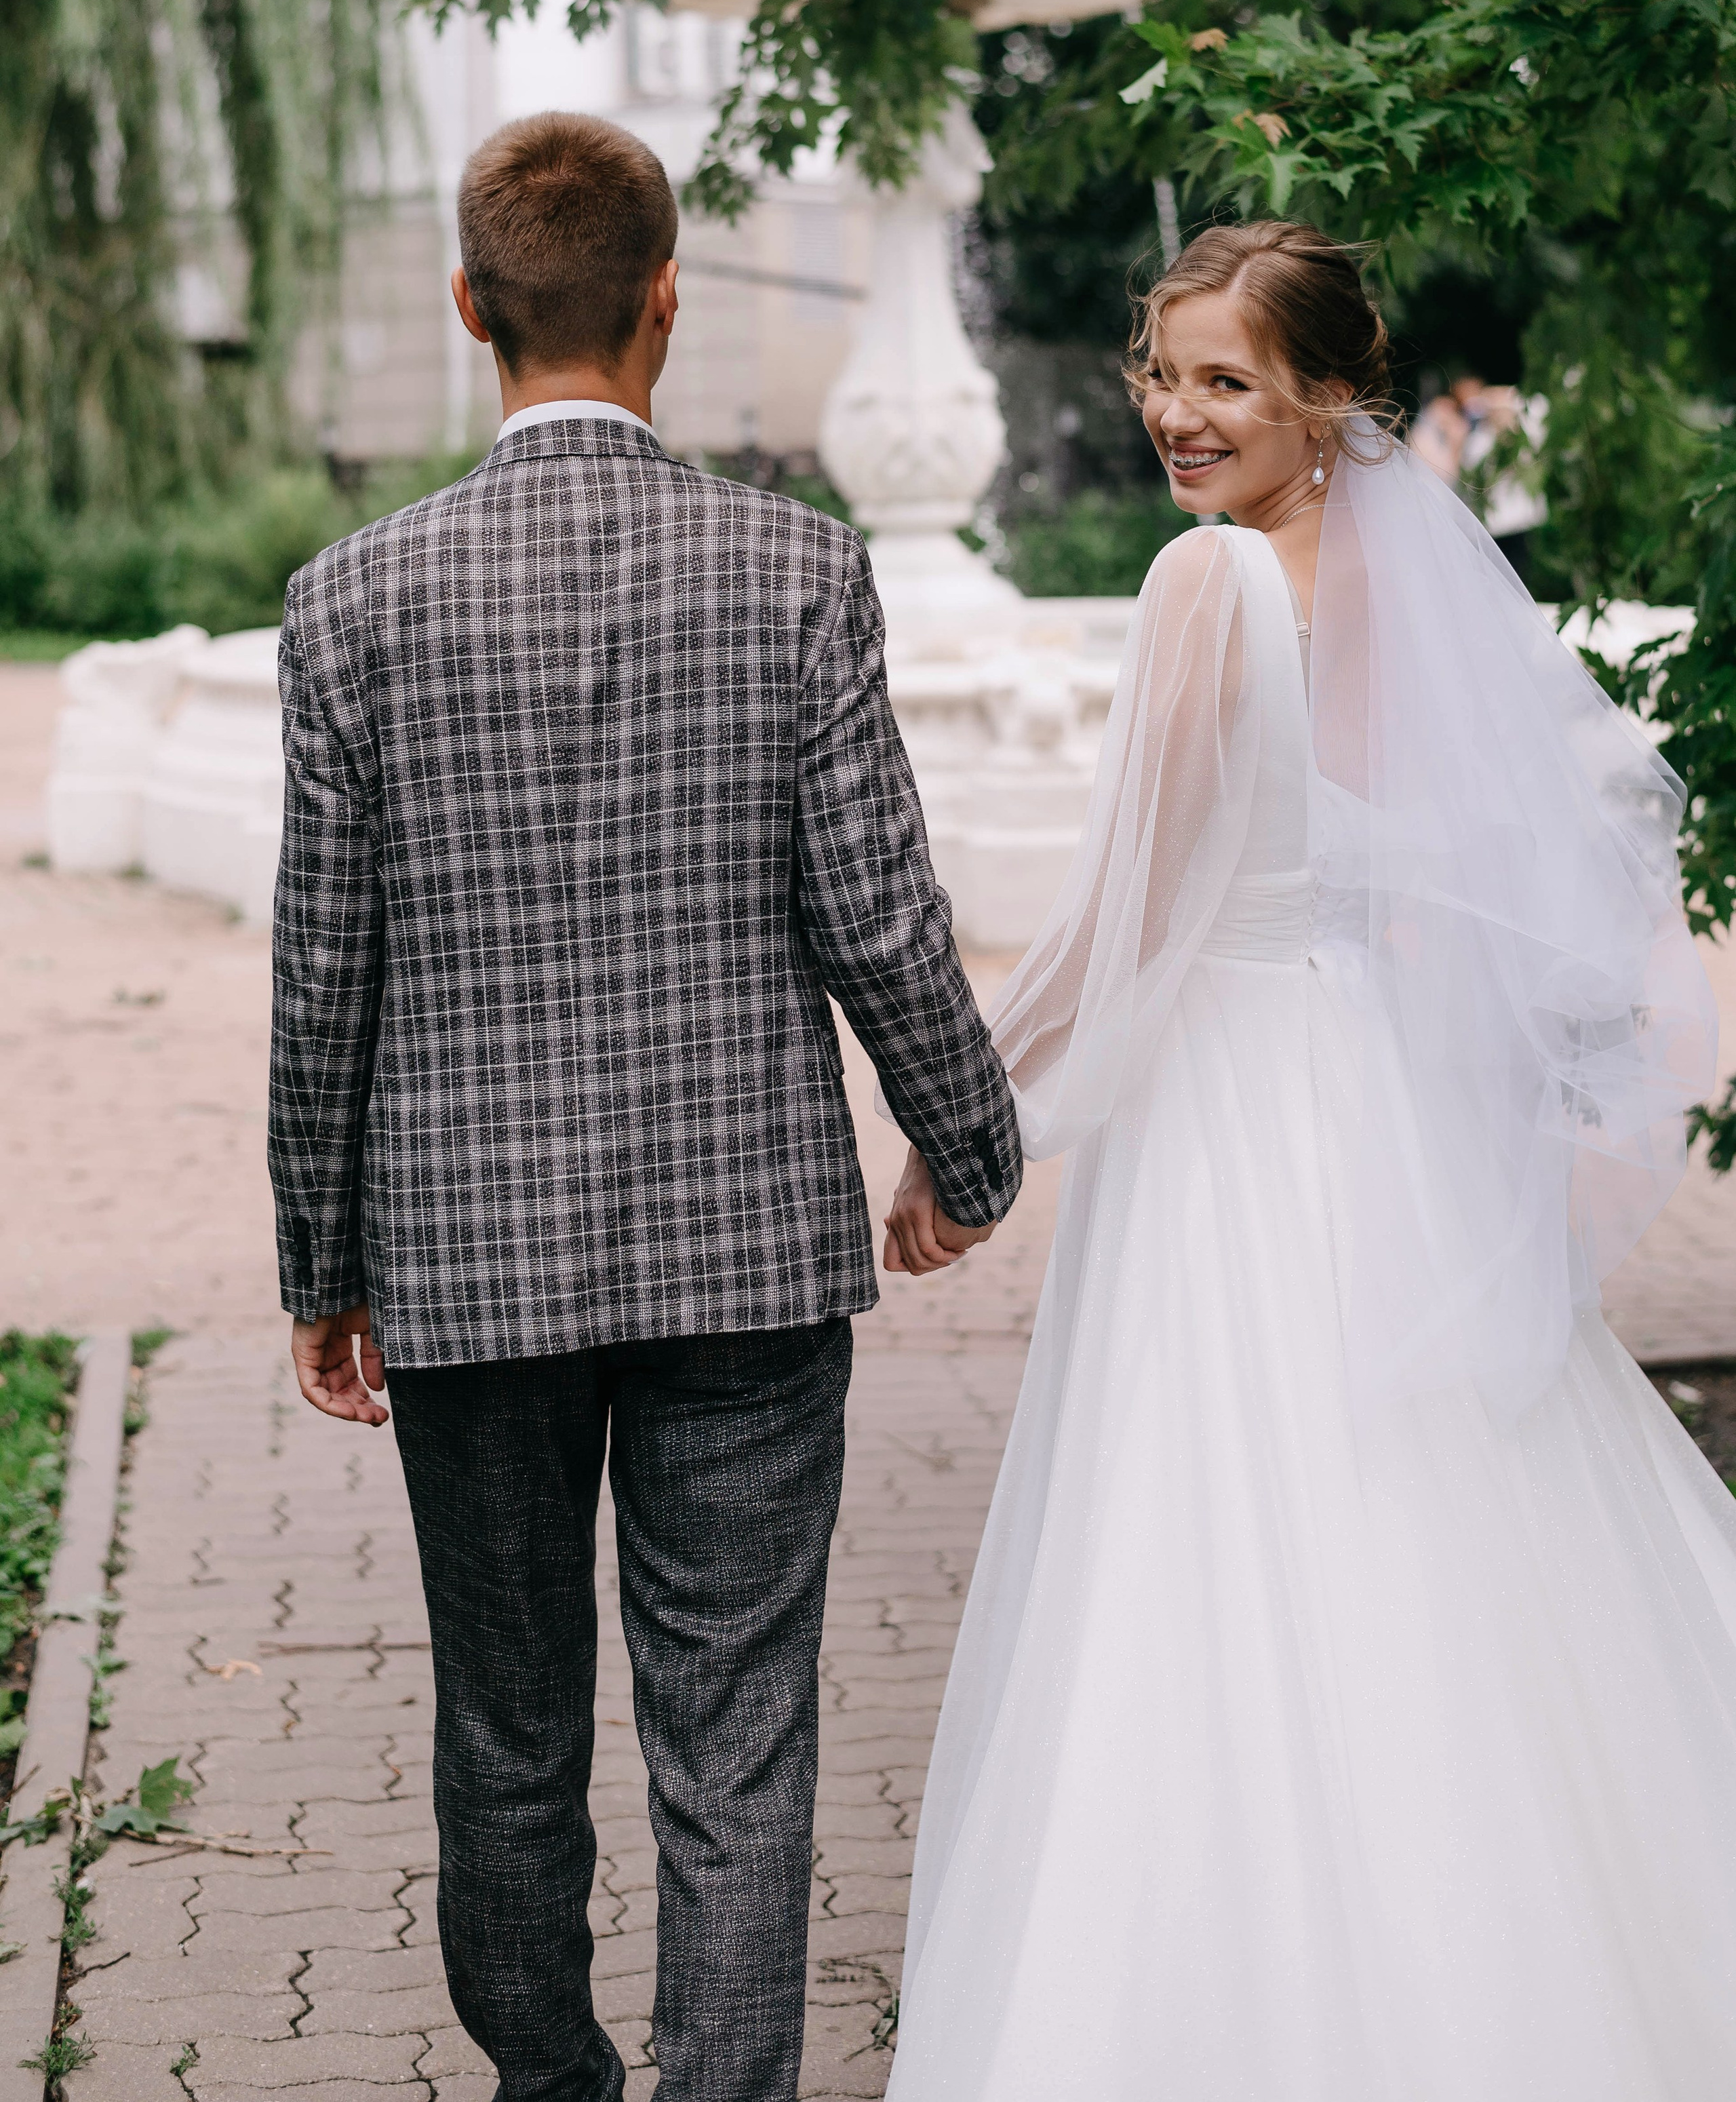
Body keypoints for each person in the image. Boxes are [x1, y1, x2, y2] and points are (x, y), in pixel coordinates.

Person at [886, 222, 1735, 2100]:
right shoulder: (1388, 568)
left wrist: (974, 1116)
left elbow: (1133, 907)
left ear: (1321, 396)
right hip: (1360, 1089)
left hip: (1235, 1107)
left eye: (1225, 383)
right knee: (1428, 1495)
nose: (1179, 416)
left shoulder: (1207, 584)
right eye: (1164, 373)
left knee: (1204, 1508)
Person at [265, 111, 1021, 2102]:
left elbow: (320, 969)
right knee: (739, 1743)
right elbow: (878, 910)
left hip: (470, 1264)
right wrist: (972, 1146)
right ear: (667, 303)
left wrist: (319, 1259)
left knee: (504, 1733)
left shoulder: (351, 600)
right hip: (746, 1262)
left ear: (468, 309)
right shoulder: (795, 568)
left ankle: (553, 2085)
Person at [1413, 371, 1549, 583]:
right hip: (1491, 526)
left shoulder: (1523, 435)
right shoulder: (1478, 441)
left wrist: (1504, 401)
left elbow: (1539, 408)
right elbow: (1459, 472)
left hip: (1516, 523)